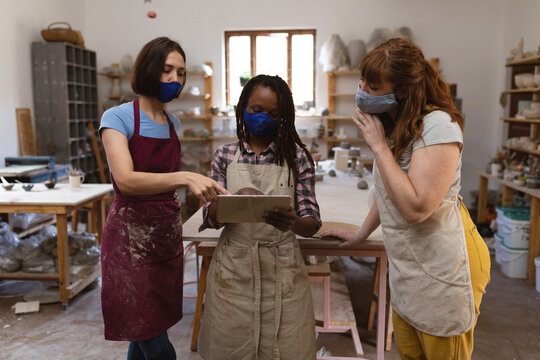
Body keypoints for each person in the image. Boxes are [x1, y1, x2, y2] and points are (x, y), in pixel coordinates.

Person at [321, 38, 491, 359]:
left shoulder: (438, 125)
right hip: (410, 270)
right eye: (361, 81)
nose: (361, 91)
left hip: (447, 266)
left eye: (371, 86)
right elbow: (390, 190)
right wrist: (361, 234)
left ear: (399, 90)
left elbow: (416, 208)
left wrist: (379, 147)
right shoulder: (397, 121)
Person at [99, 37, 227, 360]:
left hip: (164, 237)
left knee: (143, 329)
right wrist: (185, 177)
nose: (175, 79)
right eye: (167, 70)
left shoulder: (173, 123)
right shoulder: (117, 118)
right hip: (130, 241)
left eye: (181, 73)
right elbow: (126, 181)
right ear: (148, 70)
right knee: (156, 345)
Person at [198, 74, 321, 359]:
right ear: (242, 108)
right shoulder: (225, 156)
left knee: (286, 348)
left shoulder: (297, 157)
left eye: (274, 114)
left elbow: (311, 222)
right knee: (230, 348)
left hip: (283, 266)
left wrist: (293, 222)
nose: (264, 118)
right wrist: (234, 201)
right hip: (234, 268)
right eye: (256, 110)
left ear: (284, 118)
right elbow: (210, 216)